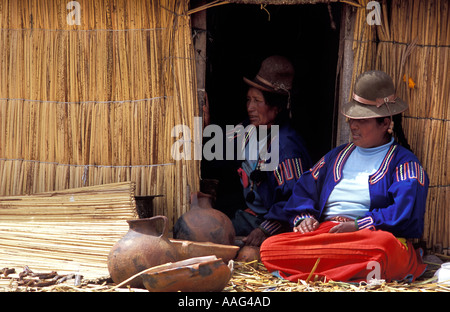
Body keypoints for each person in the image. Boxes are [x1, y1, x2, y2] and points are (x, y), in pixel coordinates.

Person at [260, 70, 429, 283]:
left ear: (385, 123)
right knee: (269, 248)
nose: (353, 126)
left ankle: (321, 268)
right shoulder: (336, 156)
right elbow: (303, 191)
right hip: (326, 234)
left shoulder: (404, 163)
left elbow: (404, 213)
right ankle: (346, 270)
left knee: (383, 249)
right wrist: (304, 218)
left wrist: (358, 225)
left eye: (362, 120)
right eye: (351, 119)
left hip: (368, 237)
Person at [206, 55, 312, 247]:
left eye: (257, 101)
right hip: (248, 212)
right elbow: (218, 151)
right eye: (248, 100)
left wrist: (265, 229)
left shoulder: (286, 148)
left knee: (214, 234)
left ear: (276, 106)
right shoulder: (248, 130)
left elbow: (294, 201)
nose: (250, 107)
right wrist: (205, 129)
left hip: (273, 223)